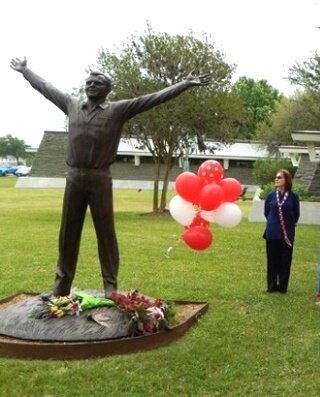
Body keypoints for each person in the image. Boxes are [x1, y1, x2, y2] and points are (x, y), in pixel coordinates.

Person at [10, 57, 210, 298]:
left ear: (107, 89)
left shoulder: (118, 110)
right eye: (89, 81)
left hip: (100, 178)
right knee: (68, 233)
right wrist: (25, 71)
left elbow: (153, 98)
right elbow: (46, 87)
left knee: (105, 233)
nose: (91, 84)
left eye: (98, 82)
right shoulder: (72, 105)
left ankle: (110, 286)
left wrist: (184, 84)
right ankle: (61, 285)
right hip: (74, 177)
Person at [263, 169, 300, 293]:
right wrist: (274, 224)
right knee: (272, 260)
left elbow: (296, 215)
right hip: (272, 233)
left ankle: (282, 286)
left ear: (286, 180)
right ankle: (271, 286)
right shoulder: (270, 196)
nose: (276, 179)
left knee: (285, 261)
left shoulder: (293, 197)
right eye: (276, 177)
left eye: (279, 177)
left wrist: (288, 227)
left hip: (287, 235)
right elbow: (267, 212)